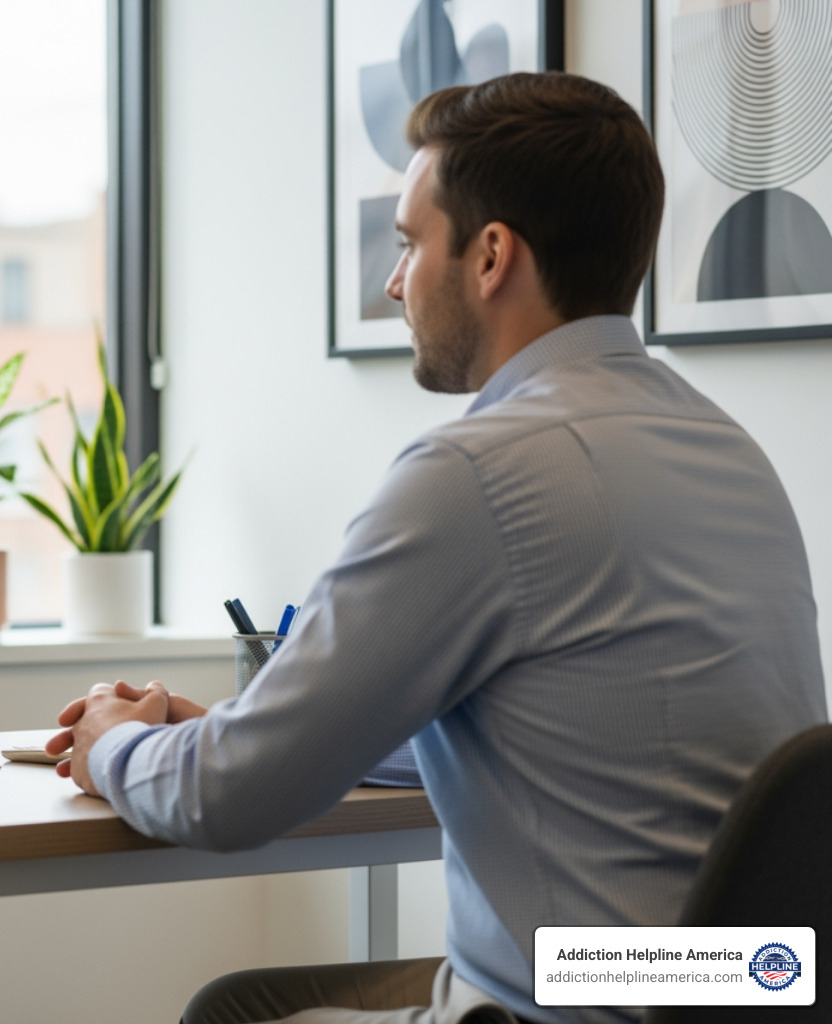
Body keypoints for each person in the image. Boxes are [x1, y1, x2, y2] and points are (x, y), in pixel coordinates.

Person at [46, 72, 827, 1024]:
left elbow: (228, 801)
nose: (394, 281)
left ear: (491, 255)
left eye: (410, 243)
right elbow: (567, 736)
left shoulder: (481, 470)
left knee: (232, 1013)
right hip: (744, 986)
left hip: (573, 1004)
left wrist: (114, 744)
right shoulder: (725, 448)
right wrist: (272, 728)